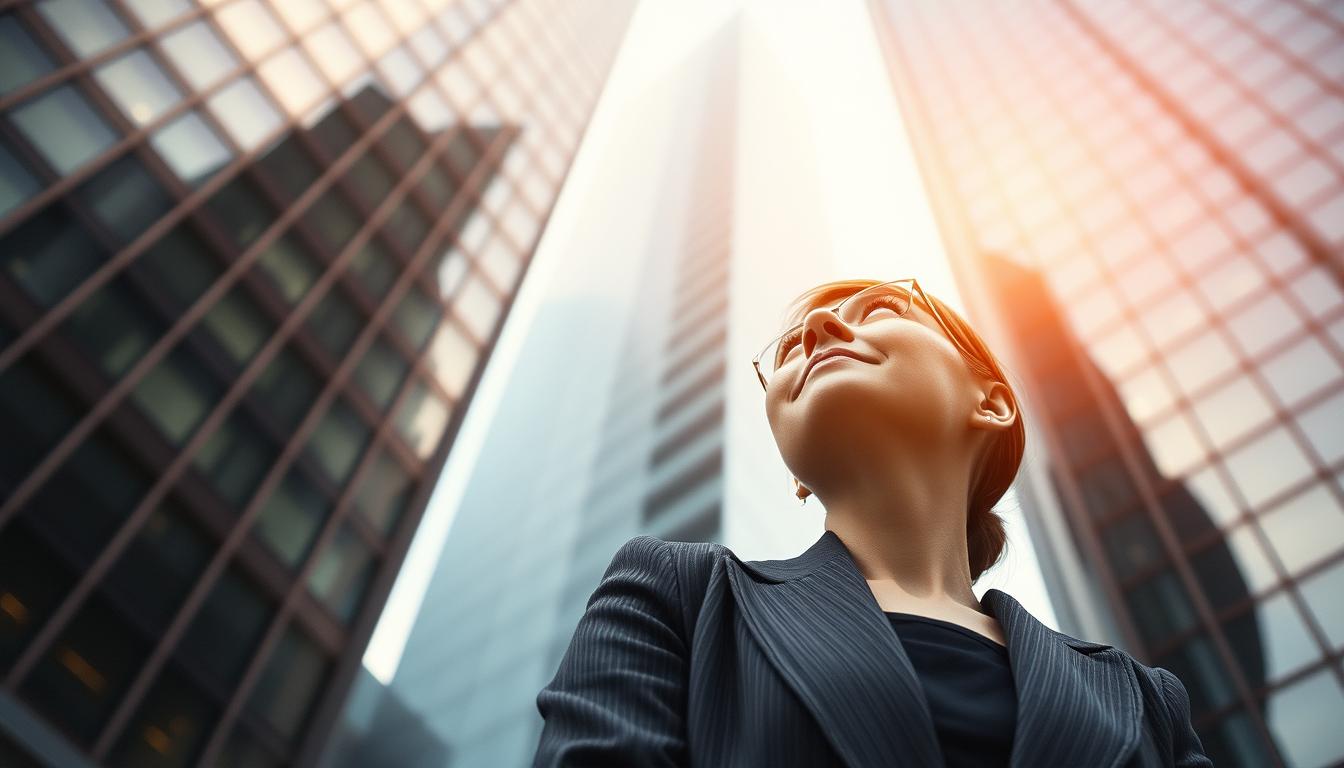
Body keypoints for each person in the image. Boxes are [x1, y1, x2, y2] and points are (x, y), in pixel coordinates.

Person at [532, 278, 1212, 767]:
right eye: (790, 345)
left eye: (882, 308)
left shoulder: (1146, 700)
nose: (817, 332)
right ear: (793, 471)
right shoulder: (676, 595)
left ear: (994, 403)